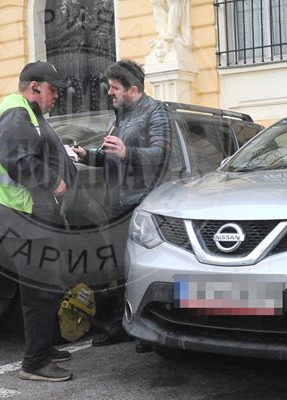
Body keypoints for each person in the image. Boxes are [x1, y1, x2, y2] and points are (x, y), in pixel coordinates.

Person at [0, 61, 76, 382]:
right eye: (53, 90)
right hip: (20, 216)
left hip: (25, 215)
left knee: (44, 287)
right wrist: (53, 182)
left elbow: (33, 150)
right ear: (34, 87)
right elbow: (16, 159)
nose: (56, 97)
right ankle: (35, 363)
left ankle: (42, 347)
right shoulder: (17, 112)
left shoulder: (28, 115)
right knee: (39, 291)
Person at [71, 60, 174, 352]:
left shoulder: (156, 112)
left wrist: (128, 151)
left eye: (115, 89)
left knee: (145, 269)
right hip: (115, 204)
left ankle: (151, 331)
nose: (110, 94)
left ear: (133, 89)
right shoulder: (118, 116)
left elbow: (162, 154)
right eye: (109, 88)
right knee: (118, 269)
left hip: (143, 203)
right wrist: (86, 156)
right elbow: (111, 157)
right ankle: (122, 326)